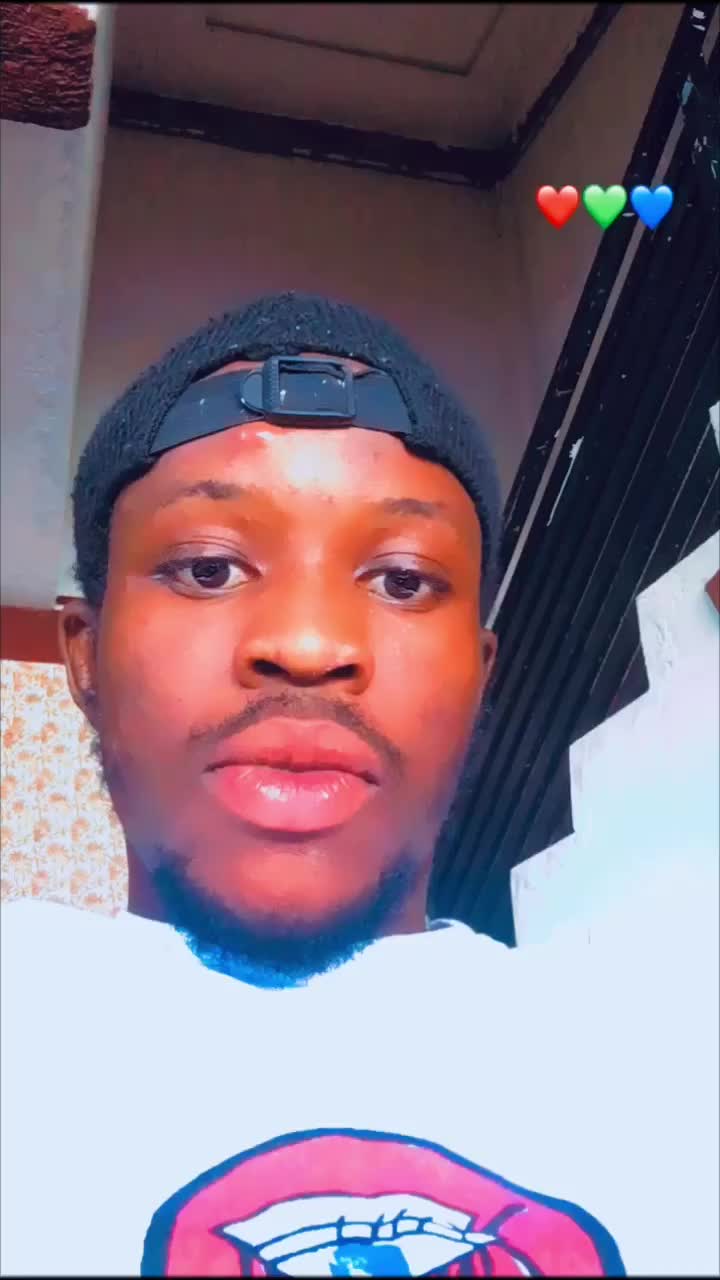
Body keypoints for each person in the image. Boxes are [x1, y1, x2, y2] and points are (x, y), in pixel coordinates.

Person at [1, 293, 716, 1278]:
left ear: (480, 676)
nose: (307, 645)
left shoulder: (667, 1078)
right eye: (207, 567)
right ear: (84, 654)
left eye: (403, 580)